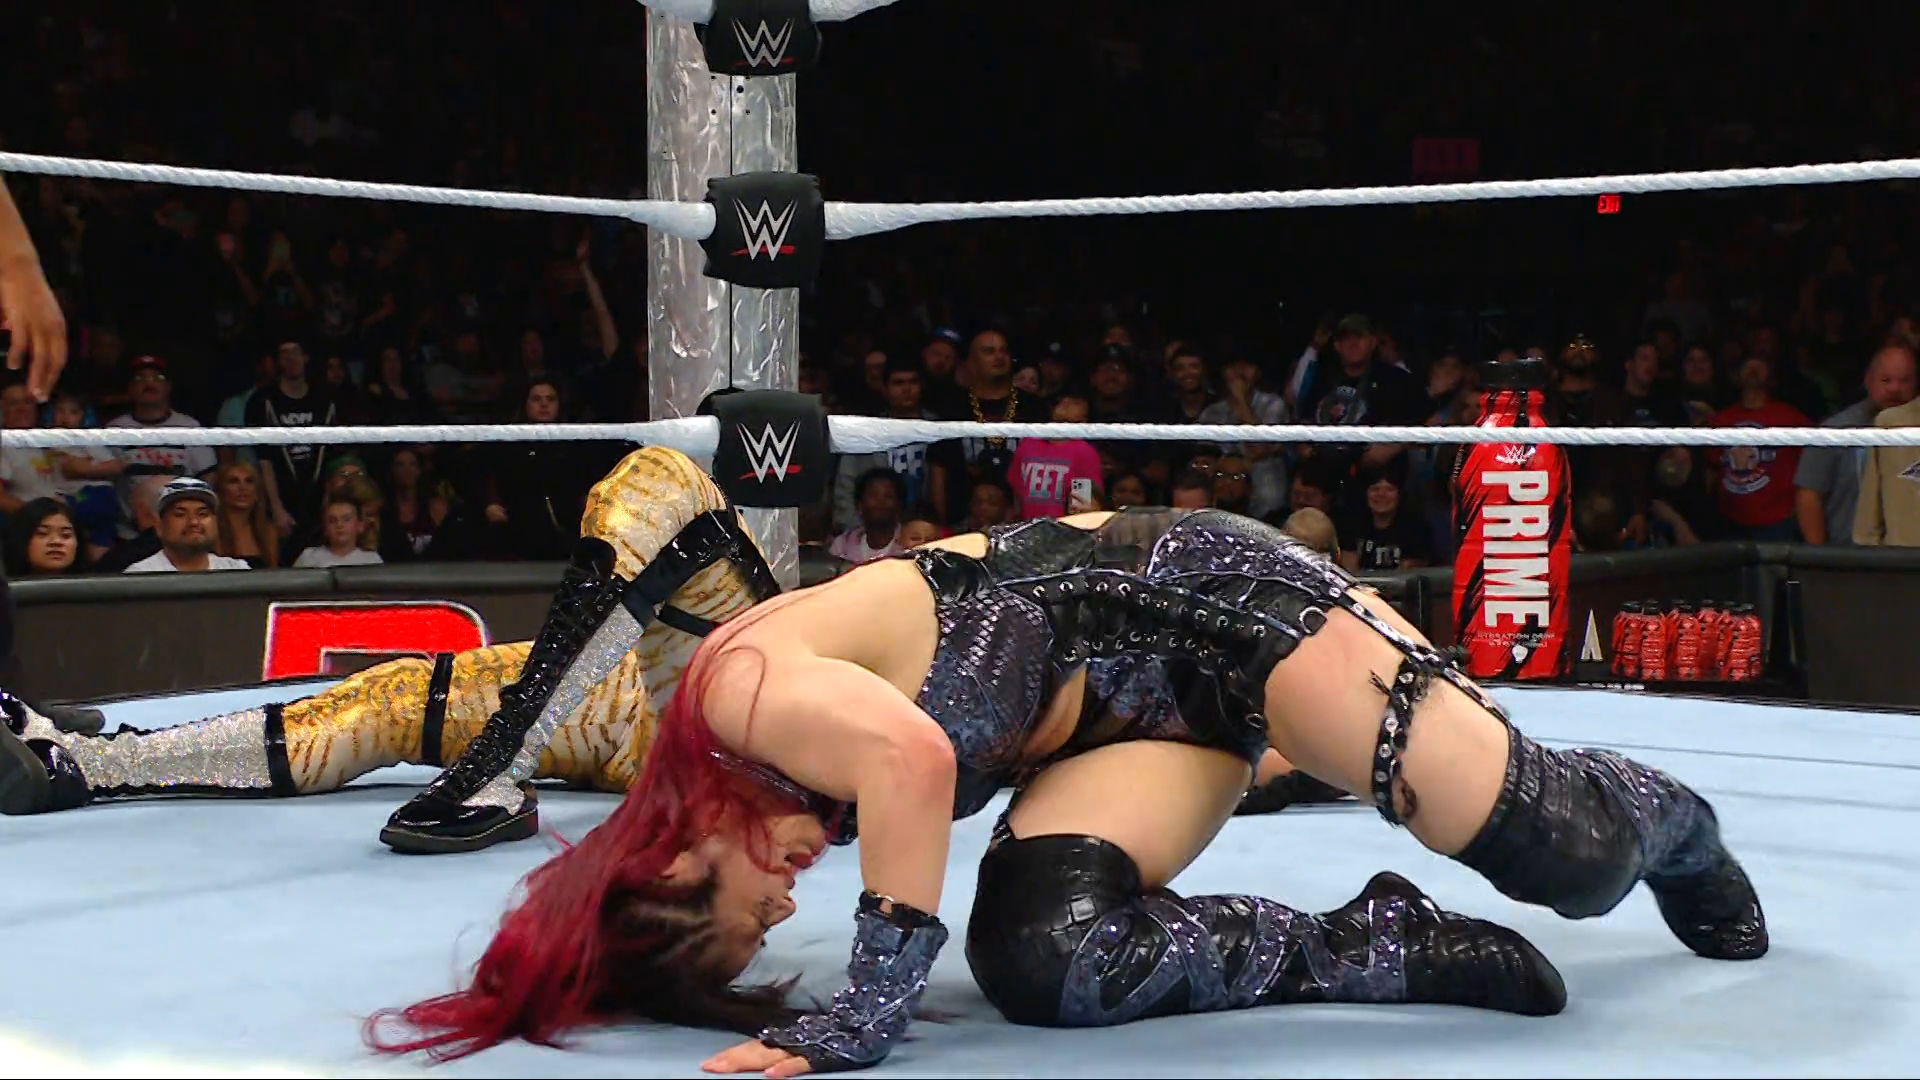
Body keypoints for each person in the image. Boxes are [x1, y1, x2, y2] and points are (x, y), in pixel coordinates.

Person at [367, 504, 1765, 1074]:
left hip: (1216, 610)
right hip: (1120, 732)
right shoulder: (757, 774)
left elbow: (917, 759)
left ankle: (1678, 827)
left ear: (674, 862)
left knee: (1569, 857)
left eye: (747, 912)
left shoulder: (737, 694)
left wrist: (864, 1016)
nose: (786, 904)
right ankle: (1375, 940)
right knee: (1043, 958)